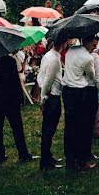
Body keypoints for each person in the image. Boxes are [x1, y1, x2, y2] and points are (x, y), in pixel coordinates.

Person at [0, 54, 33, 165]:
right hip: (10, 98)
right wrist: (20, 98)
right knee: (17, 127)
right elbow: (15, 81)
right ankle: (23, 153)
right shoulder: (10, 60)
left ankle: (0, 155)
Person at [61, 36, 99, 171]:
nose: (94, 49)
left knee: (70, 126)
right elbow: (91, 75)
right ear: (86, 42)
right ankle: (81, 160)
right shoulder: (88, 58)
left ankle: (70, 160)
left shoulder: (71, 50)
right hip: (79, 93)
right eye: (93, 46)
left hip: (67, 91)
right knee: (82, 127)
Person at [38, 37, 66, 170]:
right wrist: (43, 99)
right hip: (52, 97)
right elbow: (48, 80)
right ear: (64, 43)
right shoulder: (54, 59)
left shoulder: (48, 55)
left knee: (47, 130)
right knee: (49, 131)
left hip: (49, 95)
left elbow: (41, 76)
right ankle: (45, 162)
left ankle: (48, 157)